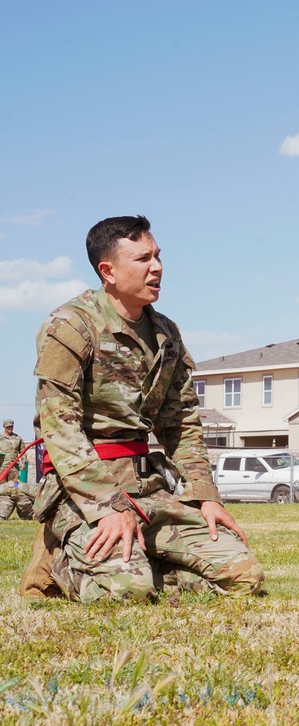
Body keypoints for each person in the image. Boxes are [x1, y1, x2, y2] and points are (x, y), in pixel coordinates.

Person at [22, 215, 264, 602]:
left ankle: (141, 566)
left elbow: (181, 423)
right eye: (142, 259)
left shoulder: (166, 333)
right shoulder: (71, 325)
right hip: (85, 491)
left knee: (243, 575)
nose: (157, 267)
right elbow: (59, 428)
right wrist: (107, 507)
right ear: (109, 271)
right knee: (125, 592)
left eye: (158, 256)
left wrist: (205, 496)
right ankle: (57, 559)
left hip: (147, 488)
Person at [0, 420, 34, 520]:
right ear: (4, 427)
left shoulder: (17, 438)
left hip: (13, 469)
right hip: (1, 468)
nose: (10, 429)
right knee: (2, 490)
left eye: (11, 427)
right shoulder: (0, 438)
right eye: (7, 427)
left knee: (15, 488)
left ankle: (15, 506)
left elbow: (22, 451)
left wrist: (23, 462)